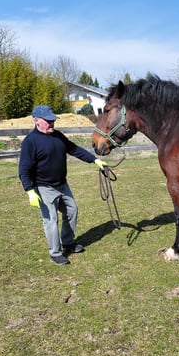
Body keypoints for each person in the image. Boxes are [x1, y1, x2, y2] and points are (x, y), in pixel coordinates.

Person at [19, 104, 107, 265]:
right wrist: (30, 190)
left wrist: (95, 160)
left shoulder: (58, 136)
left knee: (72, 211)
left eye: (53, 120)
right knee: (51, 220)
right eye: (48, 121)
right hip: (44, 188)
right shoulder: (30, 142)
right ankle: (55, 253)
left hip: (62, 185)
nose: (52, 123)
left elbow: (74, 149)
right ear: (36, 121)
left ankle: (67, 242)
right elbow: (24, 169)